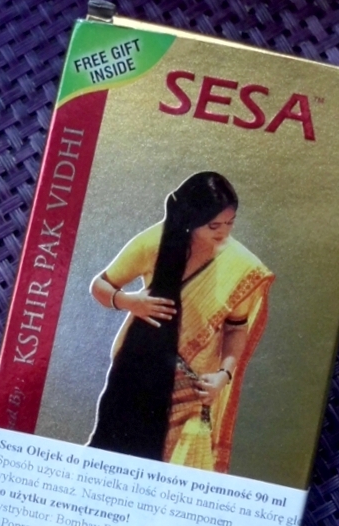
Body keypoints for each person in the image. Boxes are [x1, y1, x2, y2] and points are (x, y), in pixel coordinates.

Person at [88, 172, 274, 473]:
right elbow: (100, 285)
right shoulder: (154, 242)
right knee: (118, 460)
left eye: (230, 223)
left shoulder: (241, 266)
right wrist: (129, 301)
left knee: (180, 472)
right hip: (137, 372)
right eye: (214, 225)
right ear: (191, 219)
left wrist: (224, 374)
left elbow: (236, 327)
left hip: (196, 385)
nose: (224, 232)